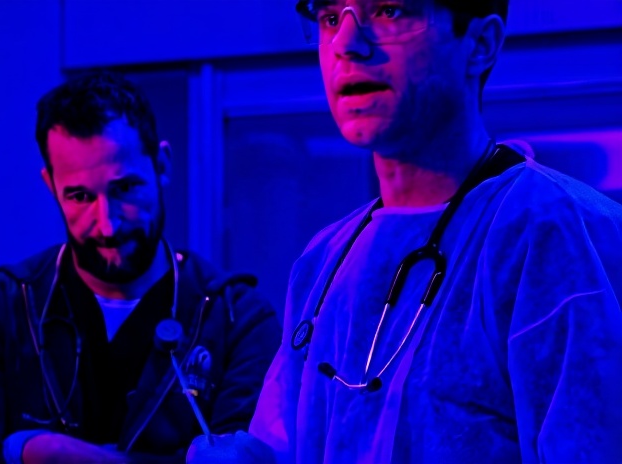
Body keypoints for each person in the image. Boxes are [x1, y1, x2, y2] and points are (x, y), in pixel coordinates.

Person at [188, 0, 622, 463]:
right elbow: (284, 443)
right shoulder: (325, 262)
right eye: (331, 18)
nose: (346, 44)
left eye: (389, 11)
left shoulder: (557, 234)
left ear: (480, 44)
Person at [0, 71, 282, 463]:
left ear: (162, 166)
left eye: (125, 189)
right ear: (51, 186)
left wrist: (48, 452)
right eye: (79, 196)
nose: (108, 225)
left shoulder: (236, 319)